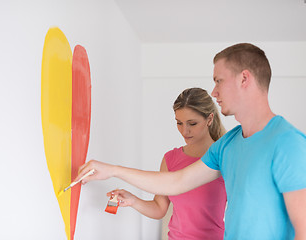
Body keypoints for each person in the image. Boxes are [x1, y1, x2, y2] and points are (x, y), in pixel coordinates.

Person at [76, 43, 306, 239]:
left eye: (219, 80)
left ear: (244, 78)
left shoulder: (289, 144)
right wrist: (113, 170)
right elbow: (176, 182)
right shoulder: (228, 145)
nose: (214, 92)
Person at [108, 88, 227, 239]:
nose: (185, 131)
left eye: (192, 123)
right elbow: (159, 208)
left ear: (209, 119)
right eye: (179, 123)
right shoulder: (171, 159)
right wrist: (132, 200)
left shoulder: (224, 157)